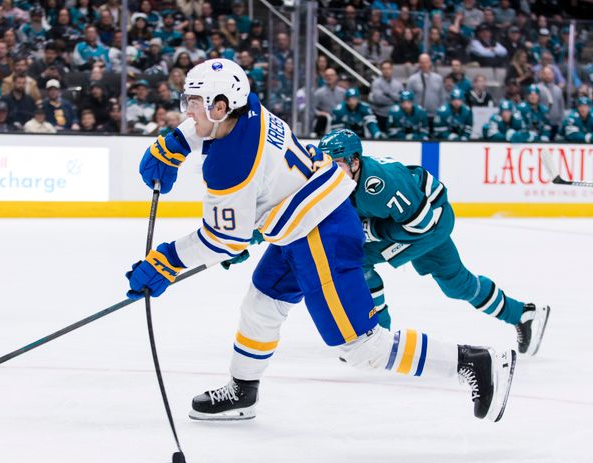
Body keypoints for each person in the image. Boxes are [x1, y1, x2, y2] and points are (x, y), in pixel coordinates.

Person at [125, 58, 516, 425]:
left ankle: (474, 362)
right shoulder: (251, 111)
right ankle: (243, 391)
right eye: (188, 102)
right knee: (261, 306)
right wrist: (176, 143)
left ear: (223, 105)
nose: (187, 113)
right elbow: (214, 133)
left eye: (194, 104)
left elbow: (224, 239)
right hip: (302, 223)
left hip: (319, 234)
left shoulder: (230, 164)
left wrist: (166, 263)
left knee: (362, 347)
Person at [318, 129, 549, 358]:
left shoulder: (380, 185)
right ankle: (521, 314)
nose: (331, 170)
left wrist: (372, 230)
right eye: (328, 163)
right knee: (458, 285)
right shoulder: (346, 179)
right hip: (420, 220)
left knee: (357, 259)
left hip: (428, 225)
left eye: (337, 163)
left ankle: (377, 336)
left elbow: (421, 225)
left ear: (355, 161)